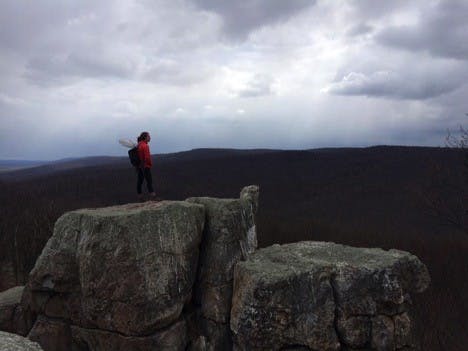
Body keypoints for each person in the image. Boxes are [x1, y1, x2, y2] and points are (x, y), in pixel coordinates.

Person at [136, 131, 156, 200]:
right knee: (149, 181)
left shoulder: (139, 145)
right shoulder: (145, 146)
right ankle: (153, 196)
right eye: (148, 136)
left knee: (140, 181)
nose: (150, 138)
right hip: (145, 166)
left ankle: (140, 197)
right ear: (145, 137)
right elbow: (147, 157)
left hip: (139, 166)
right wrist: (150, 164)